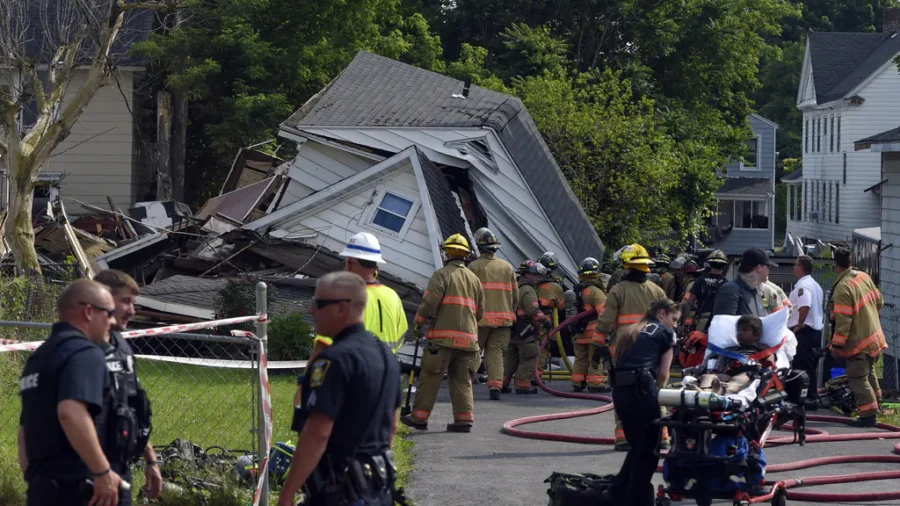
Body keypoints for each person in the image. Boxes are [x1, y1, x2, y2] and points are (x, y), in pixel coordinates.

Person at [279, 272, 402, 506]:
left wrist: (286, 496)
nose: (311, 310)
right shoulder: (387, 357)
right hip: (378, 490)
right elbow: (393, 426)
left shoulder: (334, 360)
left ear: (342, 308)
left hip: (338, 491)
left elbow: (318, 434)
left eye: (319, 304)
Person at [18, 280, 124, 506]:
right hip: (79, 491)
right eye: (109, 313)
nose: (113, 322)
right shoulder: (85, 353)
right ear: (88, 312)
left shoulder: (39, 358)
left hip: (42, 492)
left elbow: (24, 433)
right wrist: (102, 471)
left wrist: (37, 481)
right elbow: (70, 411)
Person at [600, 299, 681, 506]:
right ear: (662, 313)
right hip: (643, 392)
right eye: (674, 319)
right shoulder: (665, 333)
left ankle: (617, 491)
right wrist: (661, 395)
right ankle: (634, 500)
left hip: (621, 393)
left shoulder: (631, 330)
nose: (675, 325)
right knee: (649, 452)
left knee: (637, 446)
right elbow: (663, 374)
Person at [401, 234, 484, 432]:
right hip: (469, 342)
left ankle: (419, 418)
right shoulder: (475, 280)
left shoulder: (442, 275)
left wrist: (419, 324)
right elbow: (480, 312)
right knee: (462, 380)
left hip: (442, 341)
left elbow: (430, 303)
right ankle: (464, 420)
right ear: (465, 255)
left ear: (446, 253)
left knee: (430, 376)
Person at [93, 270, 163, 503]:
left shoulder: (122, 347)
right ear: (103, 299)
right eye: (126, 302)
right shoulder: (79, 351)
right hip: (87, 473)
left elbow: (130, 408)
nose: (132, 311)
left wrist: (150, 460)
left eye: (134, 303)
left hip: (120, 466)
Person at [591, 244, 668, 451]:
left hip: (624, 351)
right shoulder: (657, 291)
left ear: (626, 266)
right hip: (652, 351)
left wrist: (597, 345)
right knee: (655, 391)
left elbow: (605, 322)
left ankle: (624, 437)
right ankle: (661, 436)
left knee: (624, 393)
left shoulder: (618, 290)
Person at [309, 232, 408, 362]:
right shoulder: (393, 296)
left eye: (346, 262)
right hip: (383, 369)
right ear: (375, 265)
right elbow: (401, 334)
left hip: (348, 369)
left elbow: (323, 345)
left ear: (350, 263)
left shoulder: (345, 296)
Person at [829, 248, 886, 427]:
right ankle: (878, 406)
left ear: (835, 264)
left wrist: (837, 346)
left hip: (859, 342)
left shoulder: (842, 288)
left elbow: (843, 321)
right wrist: (869, 320)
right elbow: (879, 301)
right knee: (868, 372)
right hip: (873, 336)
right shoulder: (863, 277)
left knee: (857, 377)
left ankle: (868, 414)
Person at [468, 228, 518, 400]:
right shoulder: (508, 267)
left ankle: (465, 382)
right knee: (495, 352)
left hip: (480, 319)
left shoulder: (473, 267)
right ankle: (496, 387)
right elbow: (515, 296)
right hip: (504, 320)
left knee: (473, 351)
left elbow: (468, 293)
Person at [503, 260, 551, 394]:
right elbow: (533, 310)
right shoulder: (528, 290)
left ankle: (502, 383)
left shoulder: (515, 286)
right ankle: (522, 385)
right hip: (526, 331)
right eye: (535, 275)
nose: (537, 277)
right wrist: (545, 320)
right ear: (528, 275)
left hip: (513, 329)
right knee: (529, 356)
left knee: (511, 358)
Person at [788, 256, 824, 408]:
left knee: (802, 367)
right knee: (809, 366)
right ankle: (810, 396)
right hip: (814, 332)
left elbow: (805, 305)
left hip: (804, 331)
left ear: (800, 266)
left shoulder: (803, 286)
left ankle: (806, 398)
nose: (793, 267)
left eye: (795, 264)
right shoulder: (815, 285)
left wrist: (799, 324)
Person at [569, 257, 607, 393]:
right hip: (593, 332)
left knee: (580, 359)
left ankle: (577, 383)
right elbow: (604, 313)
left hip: (579, 332)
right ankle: (595, 385)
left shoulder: (578, 290)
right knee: (595, 358)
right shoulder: (596, 292)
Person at [713, 248, 778, 317]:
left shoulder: (757, 292)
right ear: (759, 268)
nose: (769, 271)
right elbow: (724, 324)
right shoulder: (731, 290)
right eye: (768, 267)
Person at [681, 249, 729, 333]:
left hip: (701, 320)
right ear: (724, 265)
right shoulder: (726, 284)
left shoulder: (700, 280)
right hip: (718, 322)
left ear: (710, 264)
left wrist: (683, 322)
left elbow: (690, 301)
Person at [536, 252, 566, 379]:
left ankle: (523, 376)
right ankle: (535, 376)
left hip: (526, 319)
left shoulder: (529, 281)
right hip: (544, 321)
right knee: (542, 348)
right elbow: (561, 307)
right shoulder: (555, 286)